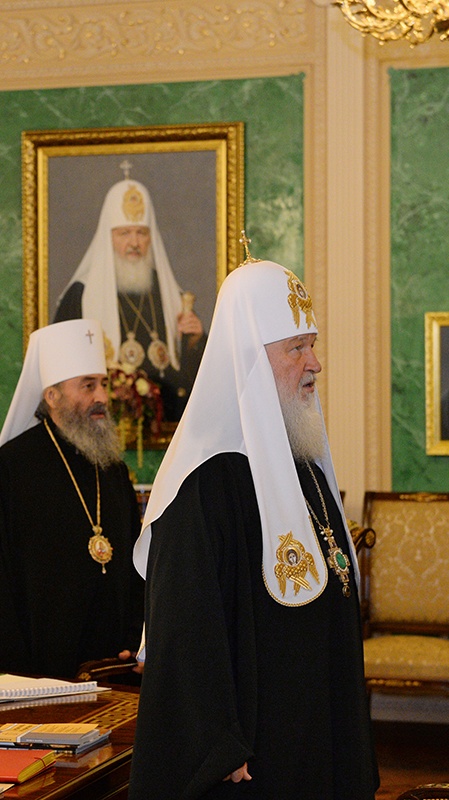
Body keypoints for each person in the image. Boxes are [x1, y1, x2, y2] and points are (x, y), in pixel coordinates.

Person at [129, 259, 378, 799]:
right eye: (296, 348)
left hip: (318, 731)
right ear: (248, 359)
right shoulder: (203, 485)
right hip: (256, 756)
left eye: (312, 345)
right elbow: (185, 632)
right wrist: (215, 744)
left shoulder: (306, 465)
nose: (315, 363)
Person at [0, 319, 144, 679]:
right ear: (52, 396)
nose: (102, 397)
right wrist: (11, 677)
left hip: (111, 669)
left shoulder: (112, 470)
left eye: (103, 384)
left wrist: (135, 638)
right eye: (87, 385)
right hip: (33, 675)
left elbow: (136, 566)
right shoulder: (7, 471)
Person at [52, 174, 205, 420]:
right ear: (108, 237)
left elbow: (190, 375)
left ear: (151, 238)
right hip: (103, 420)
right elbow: (61, 369)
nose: (134, 243)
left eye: (141, 233)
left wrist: (194, 340)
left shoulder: (169, 293)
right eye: (124, 233)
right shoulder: (81, 294)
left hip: (165, 422)